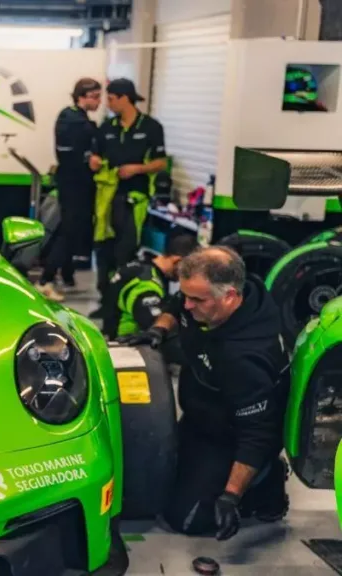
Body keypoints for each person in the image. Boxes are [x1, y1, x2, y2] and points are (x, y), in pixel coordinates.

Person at [119, 246, 291, 541]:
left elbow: (258, 434)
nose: (187, 305)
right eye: (186, 294)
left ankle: (266, 482)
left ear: (230, 297)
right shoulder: (214, 295)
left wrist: (231, 497)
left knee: (186, 519)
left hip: (232, 436)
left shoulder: (245, 357)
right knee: (145, 484)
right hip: (202, 414)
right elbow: (175, 305)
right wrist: (158, 330)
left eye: (196, 299)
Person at [90, 78, 168, 318]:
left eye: (112, 98)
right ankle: (105, 302)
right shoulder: (107, 127)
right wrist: (93, 160)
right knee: (103, 250)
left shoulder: (152, 127)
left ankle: (121, 301)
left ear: (125, 98)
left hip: (134, 199)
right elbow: (95, 154)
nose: (108, 103)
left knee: (124, 252)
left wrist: (137, 169)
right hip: (106, 199)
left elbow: (161, 162)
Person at [37, 77, 102, 302]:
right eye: (95, 97)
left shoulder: (78, 118)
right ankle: (45, 280)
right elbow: (69, 152)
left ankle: (66, 274)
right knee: (69, 231)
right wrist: (89, 159)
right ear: (81, 96)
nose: (99, 101)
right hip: (74, 184)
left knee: (71, 229)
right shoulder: (71, 119)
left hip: (77, 184)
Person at [101, 233, 198, 341]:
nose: (188, 274)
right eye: (188, 269)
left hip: (112, 333)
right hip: (129, 344)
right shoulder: (147, 285)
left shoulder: (140, 265)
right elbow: (154, 325)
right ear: (178, 261)